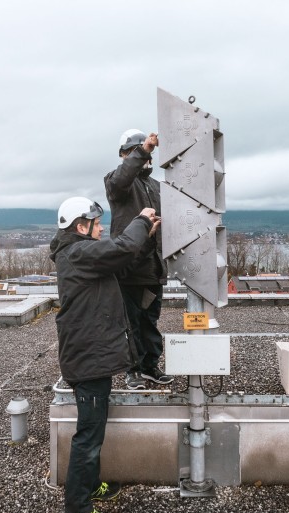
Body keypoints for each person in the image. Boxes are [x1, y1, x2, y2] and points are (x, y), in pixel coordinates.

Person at [49, 196, 161, 513]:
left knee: (94, 427)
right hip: (88, 360)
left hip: (90, 357)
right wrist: (141, 220)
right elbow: (119, 248)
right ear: (81, 226)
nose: (101, 229)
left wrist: (145, 239)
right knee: (89, 436)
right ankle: (77, 508)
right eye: (97, 224)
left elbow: (122, 261)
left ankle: (91, 483)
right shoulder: (78, 252)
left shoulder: (82, 256)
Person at [104, 129, 173, 390]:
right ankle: (131, 371)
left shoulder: (156, 187)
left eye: (144, 153)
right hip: (129, 269)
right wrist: (143, 149)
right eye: (135, 152)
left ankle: (150, 367)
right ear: (124, 155)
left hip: (153, 269)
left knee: (149, 322)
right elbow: (122, 178)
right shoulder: (117, 183)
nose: (144, 158)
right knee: (129, 324)